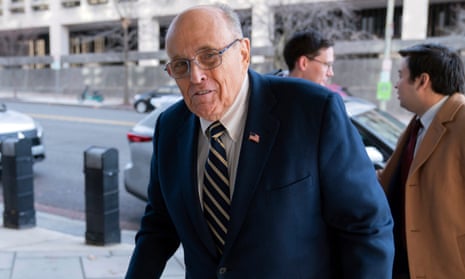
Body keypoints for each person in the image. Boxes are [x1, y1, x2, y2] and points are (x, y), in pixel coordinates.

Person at [125, 4, 394, 278]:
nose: (196, 76)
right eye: (181, 65)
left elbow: (366, 226)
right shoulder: (170, 126)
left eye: (209, 56)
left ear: (243, 53)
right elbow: (158, 226)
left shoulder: (312, 110)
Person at [378, 43, 465, 278]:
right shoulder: (418, 123)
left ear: (422, 81)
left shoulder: (461, 120)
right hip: (407, 263)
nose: (396, 84)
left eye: (401, 76)